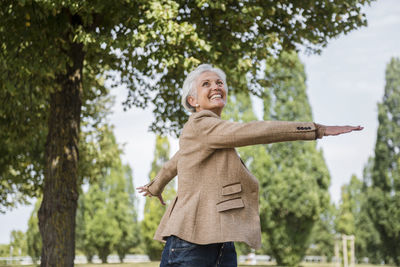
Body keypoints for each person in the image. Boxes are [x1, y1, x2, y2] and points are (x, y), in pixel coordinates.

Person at [137, 64, 363, 267]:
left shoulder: (207, 134)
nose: (216, 86)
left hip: (220, 242)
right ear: (192, 101)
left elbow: (176, 160)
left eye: (219, 82)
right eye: (206, 84)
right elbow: (254, 131)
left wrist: (156, 186)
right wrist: (316, 129)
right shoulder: (200, 125)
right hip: (191, 244)